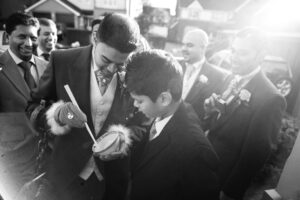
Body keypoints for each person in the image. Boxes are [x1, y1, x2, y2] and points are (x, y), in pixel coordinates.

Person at [29, 13, 142, 200]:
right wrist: (56, 115)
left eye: (120, 64)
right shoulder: (61, 61)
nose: (112, 70)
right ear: (96, 38)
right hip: (65, 176)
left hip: (110, 180)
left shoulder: (134, 71)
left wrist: (123, 138)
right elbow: (32, 107)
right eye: (106, 60)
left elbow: (141, 120)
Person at [125, 49, 220, 200]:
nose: (135, 105)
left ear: (164, 99)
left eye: (140, 100)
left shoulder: (196, 152)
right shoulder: (163, 113)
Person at [205, 27, 287, 200]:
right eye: (233, 50)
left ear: (260, 55)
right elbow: (220, 123)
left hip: (223, 179)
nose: (233, 57)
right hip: (203, 165)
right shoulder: (230, 79)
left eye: (242, 53)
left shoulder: (271, 98)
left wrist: (230, 191)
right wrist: (209, 111)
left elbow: (255, 154)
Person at [0, 12, 47, 200]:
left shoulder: (48, 66)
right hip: (11, 162)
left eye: (33, 38)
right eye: (22, 36)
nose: (28, 43)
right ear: (7, 36)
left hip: (44, 160)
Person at [181, 28, 230, 126]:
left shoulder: (217, 76)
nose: (184, 49)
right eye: (183, 44)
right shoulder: (174, 66)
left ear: (203, 48)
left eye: (189, 45)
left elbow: (212, 114)